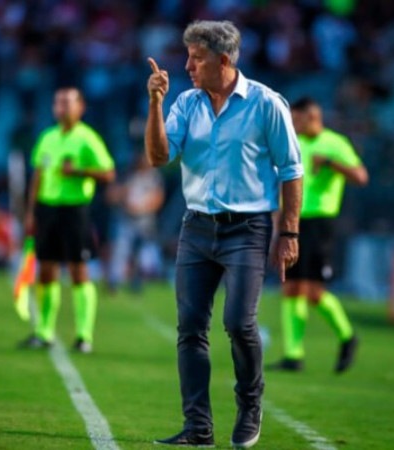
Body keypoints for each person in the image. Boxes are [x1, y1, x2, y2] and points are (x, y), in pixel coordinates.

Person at [145, 20, 303, 449]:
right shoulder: (184, 104)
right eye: (189, 56)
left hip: (248, 230)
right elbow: (159, 156)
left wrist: (288, 232)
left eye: (197, 58)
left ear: (224, 59)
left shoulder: (267, 104)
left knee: (238, 322)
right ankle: (198, 427)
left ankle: (250, 405)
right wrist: (155, 105)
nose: (188, 66)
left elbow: (291, 171)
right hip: (195, 227)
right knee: (191, 328)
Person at [266, 97, 368, 374]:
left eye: (297, 119)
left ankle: (348, 337)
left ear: (312, 117)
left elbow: (361, 177)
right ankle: (292, 355)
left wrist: (333, 164)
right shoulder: (293, 143)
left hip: (320, 223)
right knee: (290, 287)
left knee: (312, 292)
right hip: (293, 222)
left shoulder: (335, 143)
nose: (293, 124)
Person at [20, 87, 115, 353]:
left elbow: (109, 173)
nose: (60, 106)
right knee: (46, 270)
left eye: (67, 102)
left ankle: (84, 336)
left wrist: (79, 172)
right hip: (47, 210)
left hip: (75, 211)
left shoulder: (88, 139)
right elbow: (37, 176)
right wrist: (30, 213)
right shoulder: (47, 137)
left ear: (80, 107)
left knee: (78, 271)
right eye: (57, 101)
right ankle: (43, 332)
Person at [106, 152, 165, 292]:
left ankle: (136, 281)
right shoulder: (127, 175)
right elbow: (112, 195)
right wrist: (122, 195)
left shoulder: (154, 177)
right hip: (126, 219)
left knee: (140, 253)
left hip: (144, 221)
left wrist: (142, 207)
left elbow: (158, 198)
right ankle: (114, 281)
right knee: (121, 250)